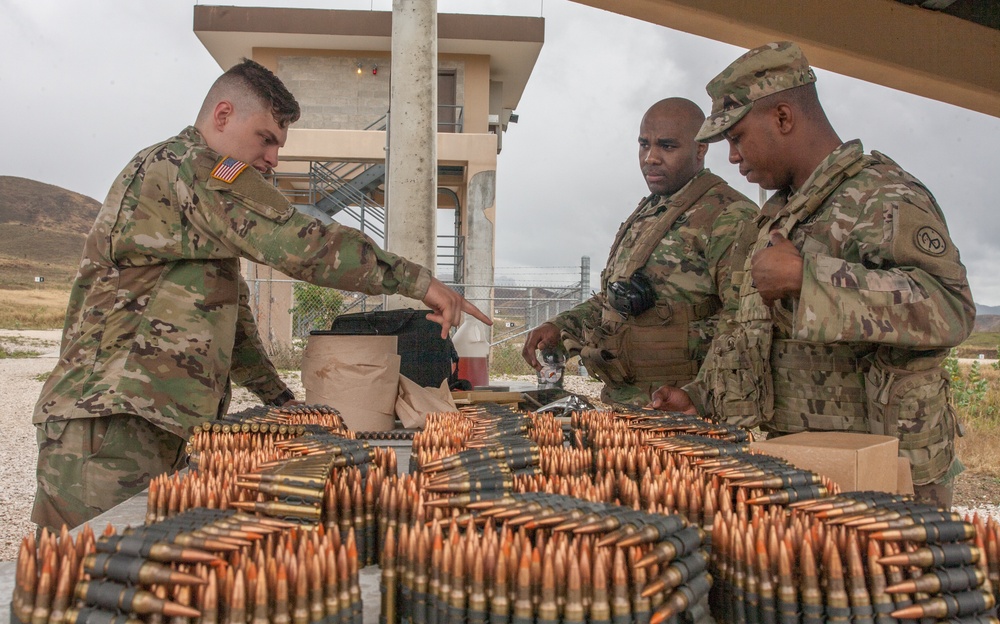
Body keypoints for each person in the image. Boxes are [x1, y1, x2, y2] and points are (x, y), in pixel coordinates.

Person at [32, 59, 490, 530]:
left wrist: (279, 398)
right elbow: (297, 240)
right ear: (223, 115)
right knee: (89, 578)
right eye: (265, 138)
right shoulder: (188, 168)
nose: (272, 158)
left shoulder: (203, 199)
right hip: (109, 426)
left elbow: (229, 320)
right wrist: (417, 282)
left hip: (148, 425)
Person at [649, 42, 975, 507]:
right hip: (806, 465)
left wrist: (811, 280)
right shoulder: (780, 213)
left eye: (738, 138)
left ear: (783, 117)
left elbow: (951, 307)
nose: (733, 157)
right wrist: (699, 398)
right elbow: (756, 338)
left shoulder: (882, 196)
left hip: (882, 479)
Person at [521, 98, 758, 406]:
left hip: (681, 413)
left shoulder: (729, 215)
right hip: (625, 404)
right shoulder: (651, 211)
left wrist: (700, 397)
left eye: (667, 147)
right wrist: (562, 326)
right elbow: (615, 302)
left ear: (700, 149)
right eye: (644, 145)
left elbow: (744, 321)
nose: (651, 158)